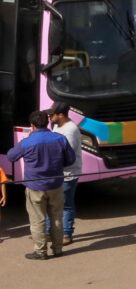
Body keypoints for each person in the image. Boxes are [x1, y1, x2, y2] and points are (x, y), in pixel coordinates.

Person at [4, 110, 75, 259]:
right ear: (47, 122)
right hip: (56, 185)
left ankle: (40, 251)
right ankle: (57, 249)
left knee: (38, 220)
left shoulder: (27, 142)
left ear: (32, 125)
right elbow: (70, 160)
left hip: (35, 187)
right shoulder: (60, 138)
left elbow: (11, 156)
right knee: (56, 217)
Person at [50, 103, 81, 245]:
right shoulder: (57, 125)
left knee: (66, 204)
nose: (50, 117)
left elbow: (67, 155)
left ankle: (67, 234)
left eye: (53, 114)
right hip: (57, 172)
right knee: (51, 203)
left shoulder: (71, 130)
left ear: (61, 115)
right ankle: (49, 232)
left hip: (68, 174)